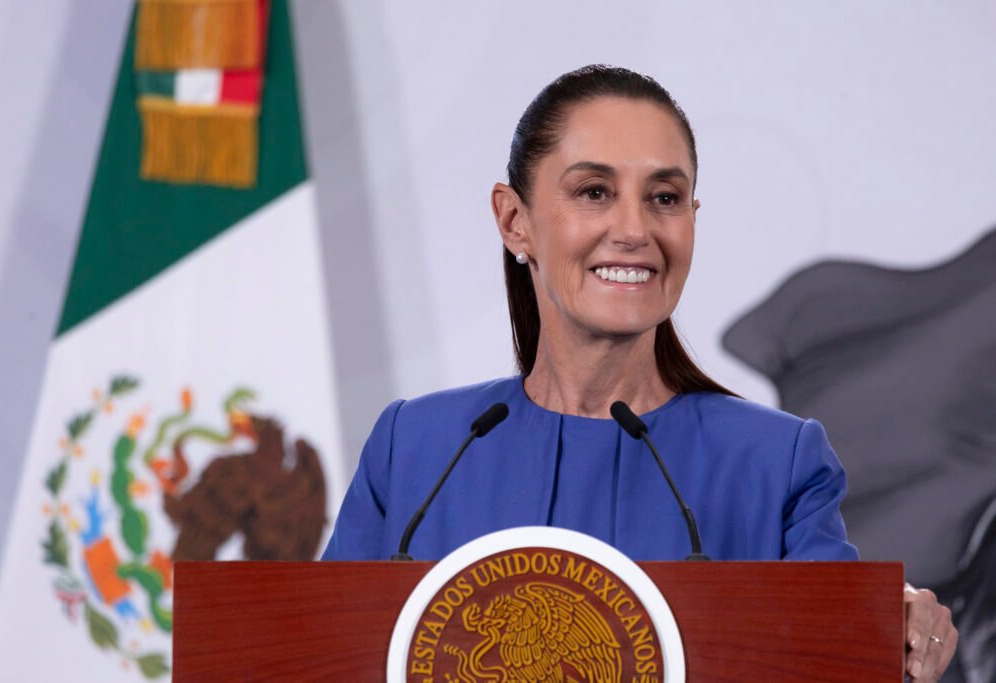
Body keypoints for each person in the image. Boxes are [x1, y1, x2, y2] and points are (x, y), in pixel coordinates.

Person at [321, 65, 957, 681]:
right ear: (516, 222)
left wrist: (889, 631)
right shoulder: (417, 448)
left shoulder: (777, 463)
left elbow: (837, 649)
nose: (634, 230)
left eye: (664, 198)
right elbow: (314, 649)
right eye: (594, 192)